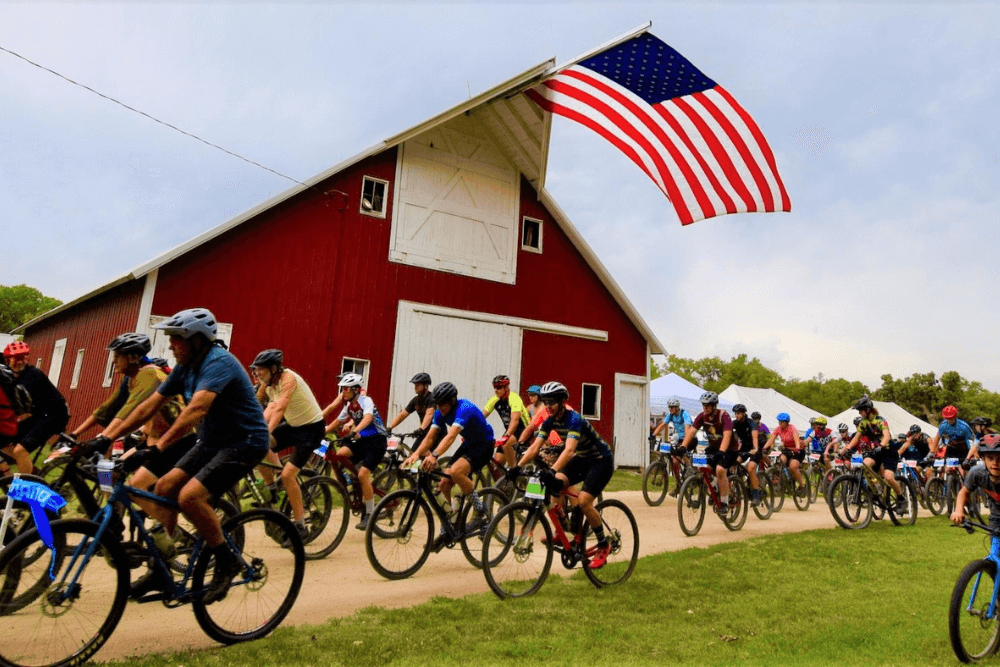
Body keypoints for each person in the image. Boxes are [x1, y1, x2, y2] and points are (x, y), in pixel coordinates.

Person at [88, 308, 270, 603]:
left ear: (198, 339)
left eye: (177, 340)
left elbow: (195, 410)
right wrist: (106, 438)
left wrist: (158, 447)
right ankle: (162, 569)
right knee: (163, 487)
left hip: (245, 441)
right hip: (211, 440)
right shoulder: (185, 366)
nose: (171, 345)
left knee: (189, 497)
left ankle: (227, 560)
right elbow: (150, 405)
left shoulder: (218, 362)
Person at [73, 333, 197, 584]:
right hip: (152, 441)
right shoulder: (130, 380)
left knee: (136, 487)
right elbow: (106, 410)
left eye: (117, 356)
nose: (113, 361)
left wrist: (104, 438)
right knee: (110, 471)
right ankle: (116, 525)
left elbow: (131, 410)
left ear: (133, 357)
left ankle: (171, 534)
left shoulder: (150, 374)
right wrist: (75, 434)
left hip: (178, 442)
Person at [511, 381, 615, 568]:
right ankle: (565, 528)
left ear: (561, 402)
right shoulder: (549, 421)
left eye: (551, 401)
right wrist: (517, 467)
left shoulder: (574, 419)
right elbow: (535, 446)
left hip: (601, 460)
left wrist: (552, 470)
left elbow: (568, 451)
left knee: (583, 501)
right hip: (583, 458)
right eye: (545, 401)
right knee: (555, 484)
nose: (548, 406)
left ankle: (603, 544)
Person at [404, 382, 495, 542]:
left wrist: (434, 455)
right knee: (443, 484)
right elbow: (430, 436)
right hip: (468, 444)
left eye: (442, 404)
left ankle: (480, 509)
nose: (439, 407)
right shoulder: (440, 412)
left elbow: (451, 436)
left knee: (455, 471)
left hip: (484, 445)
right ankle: (449, 525)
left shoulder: (464, 408)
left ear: (452, 400)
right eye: (437, 404)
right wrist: (416, 454)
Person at [250, 349, 326, 538]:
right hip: (293, 426)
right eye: (256, 370)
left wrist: (265, 431)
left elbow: (280, 408)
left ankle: (300, 525)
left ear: (274, 368)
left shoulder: (288, 379)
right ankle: (271, 488)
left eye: (261, 370)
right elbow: (255, 404)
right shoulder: (266, 383)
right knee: (258, 448)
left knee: (288, 475)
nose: (257, 373)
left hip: (311, 429)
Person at [325, 373, 388, 530]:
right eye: (342, 389)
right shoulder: (349, 406)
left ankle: (369, 514)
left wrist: (355, 430)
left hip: (377, 441)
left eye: (345, 389)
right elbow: (337, 421)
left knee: (363, 474)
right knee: (339, 456)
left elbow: (367, 418)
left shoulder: (366, 401)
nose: (343, 392)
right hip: (362, 440)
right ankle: (353, 483)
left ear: (355, 390)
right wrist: (322, 431)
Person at [1, 340, 70, 475]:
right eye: (16, 359)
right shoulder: (10, 377)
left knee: (20, 451)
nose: (20, 362)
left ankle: (30, 486)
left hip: (54, 416)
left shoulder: (33, 375)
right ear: (8, 360)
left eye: (23, 358)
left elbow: (19, 406)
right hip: (39, 416)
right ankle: (27, 473)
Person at [840, 396, 907, 513]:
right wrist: (847, 448)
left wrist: (881, 445)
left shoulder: (881, 420)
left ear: (868, 409)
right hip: (875, 451)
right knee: (865, 464)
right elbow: (856, 438)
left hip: (888, 450)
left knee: (888, 477)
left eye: (861, 410)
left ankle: (901, 498)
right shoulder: (863, 423)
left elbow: (886, 436)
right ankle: (875, 488)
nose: (859, 413)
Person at [679, 392, 734, 515]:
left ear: (714, 406)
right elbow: (691, 432)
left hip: (730, 448)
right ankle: (714, 487)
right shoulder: (701, 417)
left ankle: (724, 502)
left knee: (720, 470)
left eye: (708, 405)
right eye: (703, 405)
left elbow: (727, 435)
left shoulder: (723, 416)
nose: (705, 408)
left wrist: (722, 451)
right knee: (701, 468)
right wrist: (683, 446)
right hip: (713, 448)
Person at [951, 434, 1000, 528]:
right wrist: (959, 511)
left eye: (999, 459)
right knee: (995, 543)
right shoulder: (977, 473)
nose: (995, 463)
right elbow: (963, 492)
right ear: (983, 459)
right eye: (990, 458)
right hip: (996, 518)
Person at [482, 375, 530, 468]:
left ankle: (513, 472)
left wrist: (506, 436)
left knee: (507, 443)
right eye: (495, 387)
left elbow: (515, 420)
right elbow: (481, 417)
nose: (496, 390)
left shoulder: (514, 398)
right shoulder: (495, 399)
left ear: (506, 388)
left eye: (499, 387)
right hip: (511, 431)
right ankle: (503, 481)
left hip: (524, 429)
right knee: (497, 464)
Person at [652, 398, 694, 497]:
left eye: (672, 407)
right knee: (675, 461)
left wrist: (685, 443)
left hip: (690, 438)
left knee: (680, 454)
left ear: (677, 407)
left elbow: (687, 427)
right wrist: (653, 435)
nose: (671, 409)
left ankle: (690, 468)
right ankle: (678, 485)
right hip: (680, 439)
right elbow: (662, 425)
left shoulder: (684, 414)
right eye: (669, 407)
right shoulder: (670, 415)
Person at [385, 372, 436, 443]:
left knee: (424, 453)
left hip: (436, 432)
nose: (415, 387)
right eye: (415, 385)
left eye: (418, 385)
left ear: (426, 386)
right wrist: (389, 427)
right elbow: (403, 415)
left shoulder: (431, 398)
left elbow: (429, 414)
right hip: (424, 432)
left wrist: (421, 429)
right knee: (412, 453)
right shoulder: (416, 400)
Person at [731, 404, 763, 506]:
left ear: (744, 413)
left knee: (750, 468)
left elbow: (755, 437)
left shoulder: (751, 422)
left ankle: (756, 495)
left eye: (739, 413)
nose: (737, 415)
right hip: (744, 448)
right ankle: (737, 487)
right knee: (734, 464)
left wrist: (755, 448)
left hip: (755, 448)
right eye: (736, 413)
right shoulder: (734, 423)